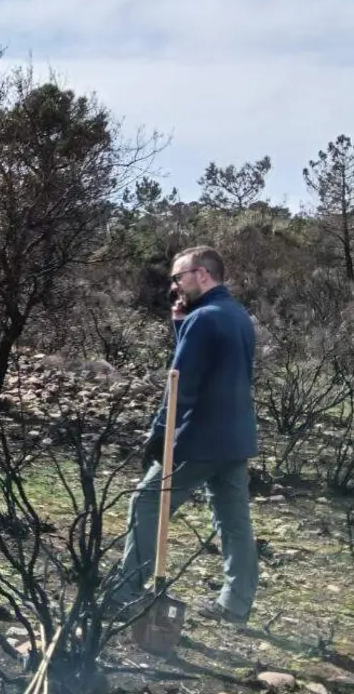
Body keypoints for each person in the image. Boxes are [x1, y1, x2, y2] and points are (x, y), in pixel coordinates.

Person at [109, 246, 258, 625]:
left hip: (199, 438)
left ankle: (125, 593)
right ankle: (236, 603)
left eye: (179, 277)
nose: (175, 285)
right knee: (233, 520)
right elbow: (209, 361)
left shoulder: (204, 318)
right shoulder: (237, 315)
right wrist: (180, 324)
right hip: (235, 438)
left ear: (202, 274)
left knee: (146, 502)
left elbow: (180, 382)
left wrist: (160, 432)